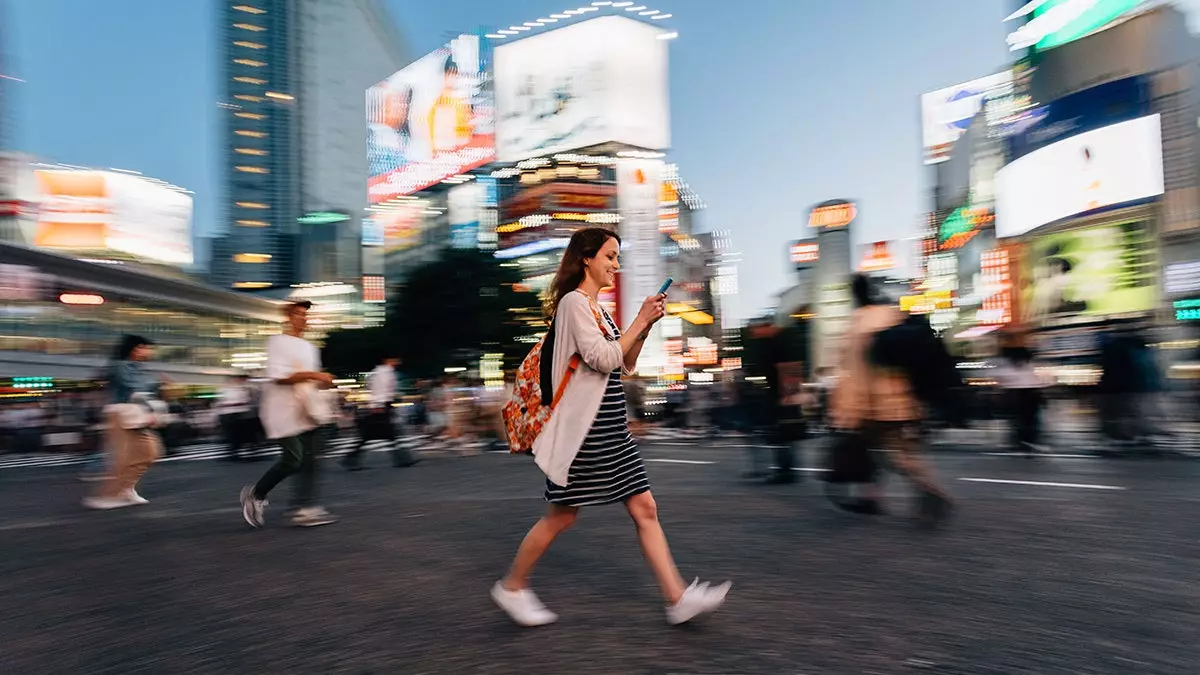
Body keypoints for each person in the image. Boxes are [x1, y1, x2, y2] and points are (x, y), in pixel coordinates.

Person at [491, 227, 730, 627]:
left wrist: (646, 324)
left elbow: (624, 362)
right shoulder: (572, 304)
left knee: (644, 507)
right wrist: (637, 319)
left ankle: (677, 597)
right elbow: (602, 358)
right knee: (561, 516)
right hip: (585, 435)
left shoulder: (596, 308)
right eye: (610, 256)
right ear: (586, 258)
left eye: (617, 258)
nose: (616, 266)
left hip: (610, 430)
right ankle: (512, 586)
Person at [829, 274, 953, 524]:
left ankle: (928, 490)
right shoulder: (892, 315)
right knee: (892, 451)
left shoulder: (858, 325)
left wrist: (845, 410)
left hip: (876, 406)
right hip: (905, 400)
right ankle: (872, 498)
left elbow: (856, 374)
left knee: (889, 454)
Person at [239, 301, 338, 528]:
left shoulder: (310, 348)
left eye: (305, 314)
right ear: (287, 318)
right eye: (298, 313)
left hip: (308, 410)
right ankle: (256, 495)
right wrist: (314, 374)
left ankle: (304, 508)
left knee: (312, 461)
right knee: (293, 460)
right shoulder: (277, 342)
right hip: (282, 411)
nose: (303, 318)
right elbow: (279, 376)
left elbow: (310, 381)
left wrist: (324, 383)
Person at [83, 335, 165, 510]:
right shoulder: (120, 366)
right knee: (122, 457)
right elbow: (133, 387)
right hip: (119, 414)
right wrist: (157, 382)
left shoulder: (138, 367)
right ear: (136, 348)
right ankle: (108, 496)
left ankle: (126, 489)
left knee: (150, 452)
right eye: (146, 347)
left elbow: (142, 390)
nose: (149, 352)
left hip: (136, 413)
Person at [342, 355, 419, 469]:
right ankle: (402, 459)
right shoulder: (383, 373)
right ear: (387, 360)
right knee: (380, 434)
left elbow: (374, 388)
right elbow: (379, 391)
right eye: (395, 359)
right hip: (381, 406)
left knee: (384, 434)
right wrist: (378, 406)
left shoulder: (381, 372)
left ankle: (402, 459)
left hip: (383, 405)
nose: (397, 361)